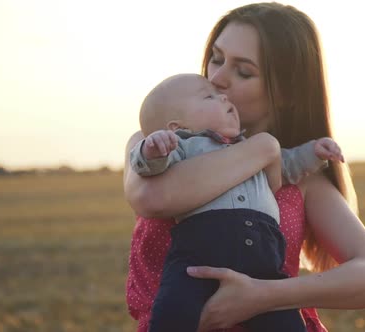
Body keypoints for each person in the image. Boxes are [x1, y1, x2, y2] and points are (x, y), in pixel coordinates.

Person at [123, 3, 365, 332]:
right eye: (216, 58)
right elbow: (152, 198)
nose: (217, 78)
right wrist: (262, 149)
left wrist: (264, 296)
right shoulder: (157, 144)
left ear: (284, 93)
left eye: (243, 71)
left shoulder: (303, 178)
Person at [130, 73, 343, 332]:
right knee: (173, 310)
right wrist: (152, 149)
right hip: (197, 257)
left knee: (286, 323)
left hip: (263, 262)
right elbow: (151, 169)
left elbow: (288, 165)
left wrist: (314, 152)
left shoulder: (256, 148)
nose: (223, 96)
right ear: (177, 127)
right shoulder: (186, 147)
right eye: (209, 96)